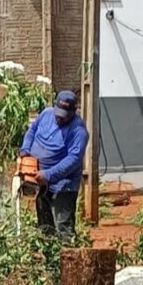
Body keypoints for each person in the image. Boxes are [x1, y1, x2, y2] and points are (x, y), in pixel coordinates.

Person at [19, 90, 89, 240]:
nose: (59, 117)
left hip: (63, 185)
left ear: (73, 112)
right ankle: (50, 259)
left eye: (64, 115)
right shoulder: (46, 114)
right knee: (45, 226)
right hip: (41, 182)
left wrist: (49, 174)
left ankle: (69, 256)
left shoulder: (79, 131)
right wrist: (25, 150)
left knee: (63, 227)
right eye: (58, 112)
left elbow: (73, 159)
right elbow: (31, 131)